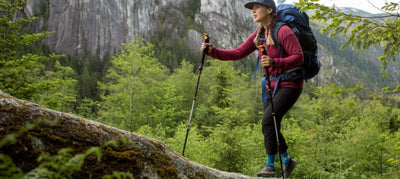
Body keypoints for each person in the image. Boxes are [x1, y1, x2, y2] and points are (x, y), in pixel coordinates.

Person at [200, 0, 303, 178]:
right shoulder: (259, 34)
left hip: (290, 84)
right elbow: (237, 53)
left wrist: (275, 62)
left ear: (269, 10)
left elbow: (298, 57)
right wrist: (212, 51)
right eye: (252, 8)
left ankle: (270, 166)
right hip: (271, 85)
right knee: (271, 123)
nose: (253, 11)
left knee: (268, 121)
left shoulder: (283, 31)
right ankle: (287, 161)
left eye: (257, 7)